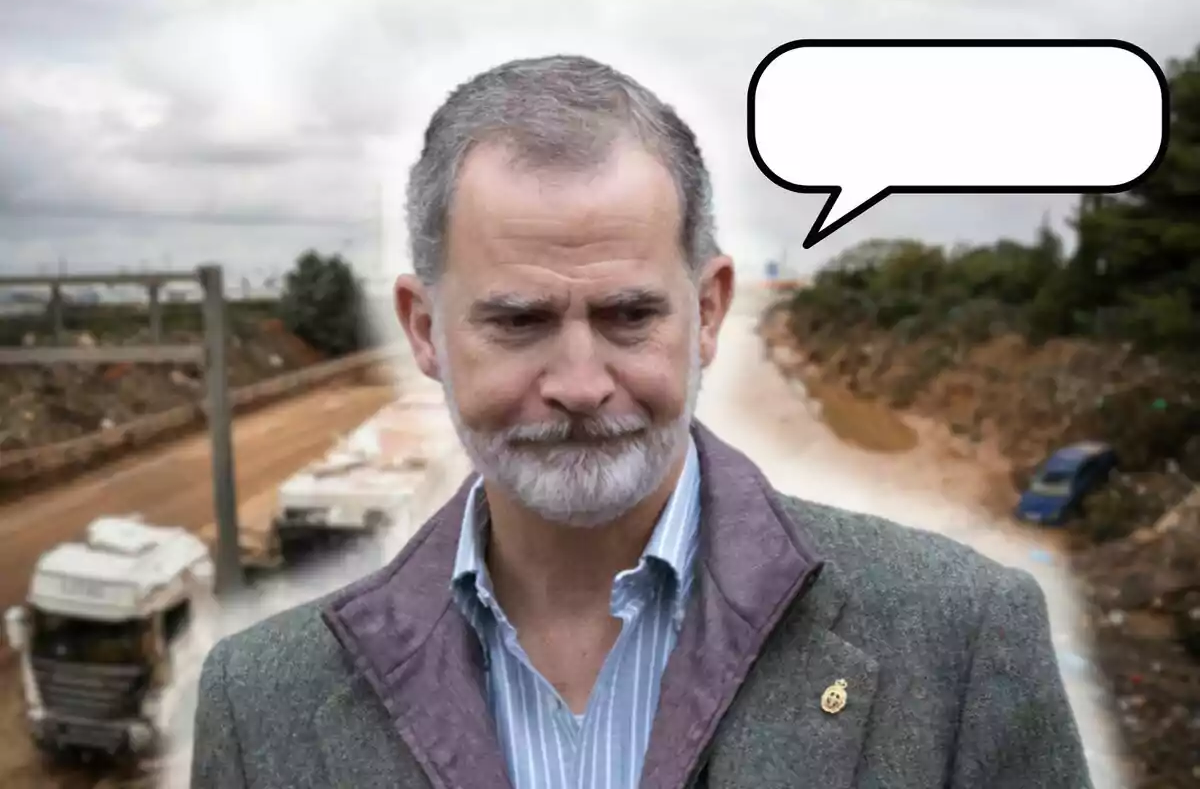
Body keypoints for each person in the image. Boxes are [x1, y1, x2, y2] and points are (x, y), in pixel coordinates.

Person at [190, 54, 1093, 789]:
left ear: (707, 311)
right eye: (519, 321)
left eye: (629, 316)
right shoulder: (257, 704)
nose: (581, 384)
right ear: (425, 330)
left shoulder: (963, 639)